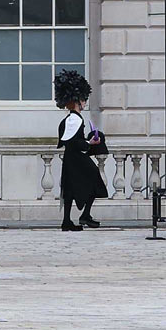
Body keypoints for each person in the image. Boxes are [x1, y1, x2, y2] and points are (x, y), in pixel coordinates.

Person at [54, 69, 108, 231]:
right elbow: (74, 142)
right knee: (94, 181)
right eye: (84, 100)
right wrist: (90, 142)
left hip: (72, 158)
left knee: (70, 188)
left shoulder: (71, 118)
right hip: (76, 158)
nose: (85, 103)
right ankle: (83, 215)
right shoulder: (74, 119)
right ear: (78, 101)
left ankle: (69, 220)